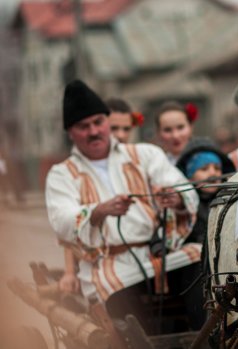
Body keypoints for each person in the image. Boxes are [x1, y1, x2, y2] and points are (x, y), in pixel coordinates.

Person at [46, 80, 202, 331]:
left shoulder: (145, 154)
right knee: (117, 292)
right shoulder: (61, 174)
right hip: (108, 264)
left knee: (199, 256)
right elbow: (62, 220)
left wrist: (176, 198)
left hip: (154, 254)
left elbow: (180, 186)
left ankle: (203, 336)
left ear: (107, 122)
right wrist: (98, 211)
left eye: (98, 122)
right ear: (71, 133)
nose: (94, 131)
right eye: (83, 127)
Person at [59, 97, 143, 294]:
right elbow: (72, 224)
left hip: (145, 255)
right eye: (115, 129)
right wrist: (70, 272)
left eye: (126, 129)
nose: (121, 135)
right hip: (102, 259)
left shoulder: (141, 161)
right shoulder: (74, 173)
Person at [156, 101, 196, 165]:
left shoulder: (208, 164)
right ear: (158, 133)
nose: (175, 136)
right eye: (167, 130)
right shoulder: (156, 166)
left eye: (180, 127)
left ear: (191, 127)